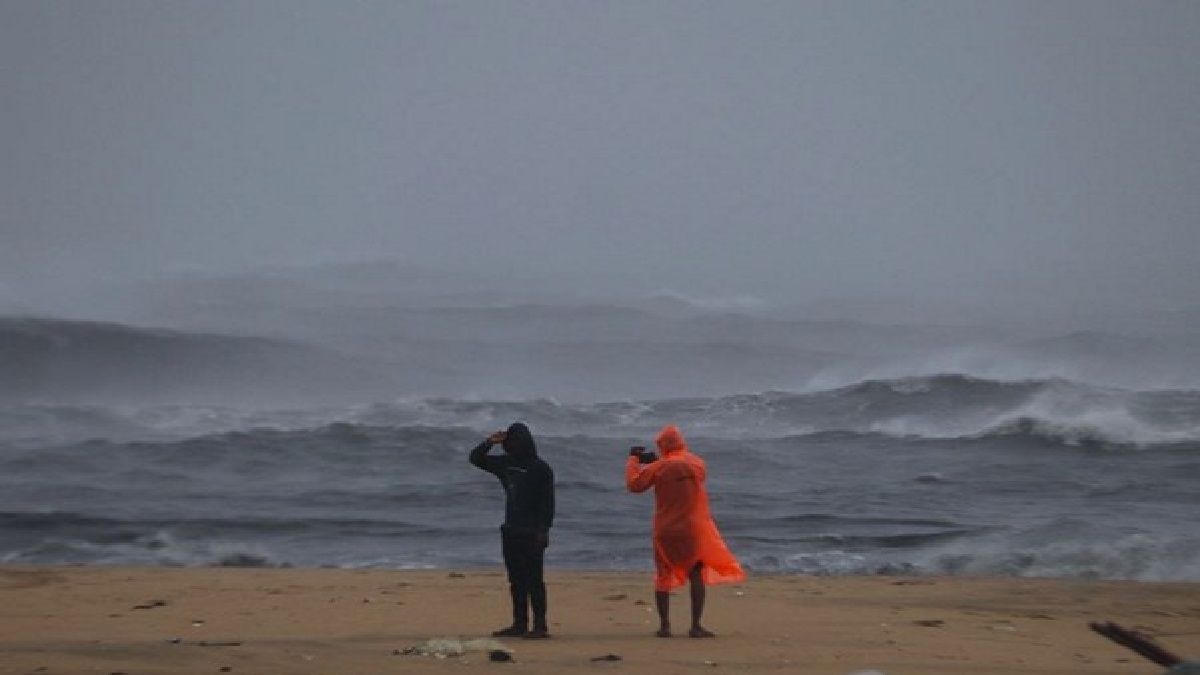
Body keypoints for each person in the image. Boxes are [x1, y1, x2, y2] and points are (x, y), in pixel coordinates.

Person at [625, 424, 745, 638]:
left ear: (662, 446)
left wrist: (634, 460)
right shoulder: (698, 464)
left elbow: (635, 486)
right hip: (692, 527)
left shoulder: (658, 467)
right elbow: (682, 473)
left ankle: (664, 626)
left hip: (666, 528)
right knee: (695, 574)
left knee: (663, 575)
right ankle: (696, 625)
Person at [469, 422, 555, 639]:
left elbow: (548, 503)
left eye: (517, 441)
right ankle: (519, 624)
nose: (513, 445)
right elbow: (475, 459)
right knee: (516, 580)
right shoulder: (505, 464)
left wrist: (544, 530)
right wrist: (489, 442)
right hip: (510, 529)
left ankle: (540, 626)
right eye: (510, 441)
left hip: (532, 531)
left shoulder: (540, 468)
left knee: (534, 580)